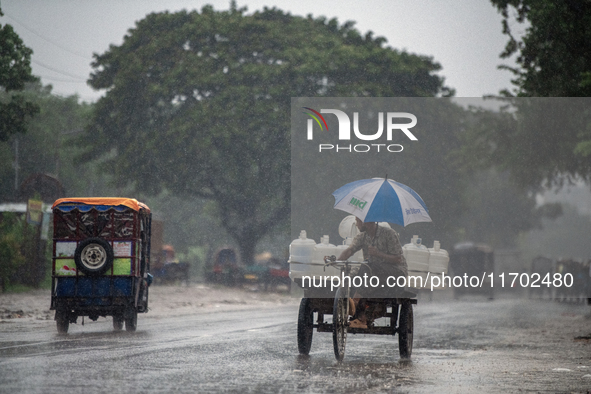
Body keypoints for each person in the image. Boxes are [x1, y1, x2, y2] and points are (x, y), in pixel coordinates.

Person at [337, 216, 407, 328]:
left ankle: (354, 302)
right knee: (355, 274)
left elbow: (398, 259)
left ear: (367, 222)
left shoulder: (389, 234)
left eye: (358, 221)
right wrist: (337, 261)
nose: (356, 224)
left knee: (368, 265)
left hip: (395, 274)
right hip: (373, 274)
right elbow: (350, 250)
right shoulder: (362, 237)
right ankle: (361, 318)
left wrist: (378, 254)